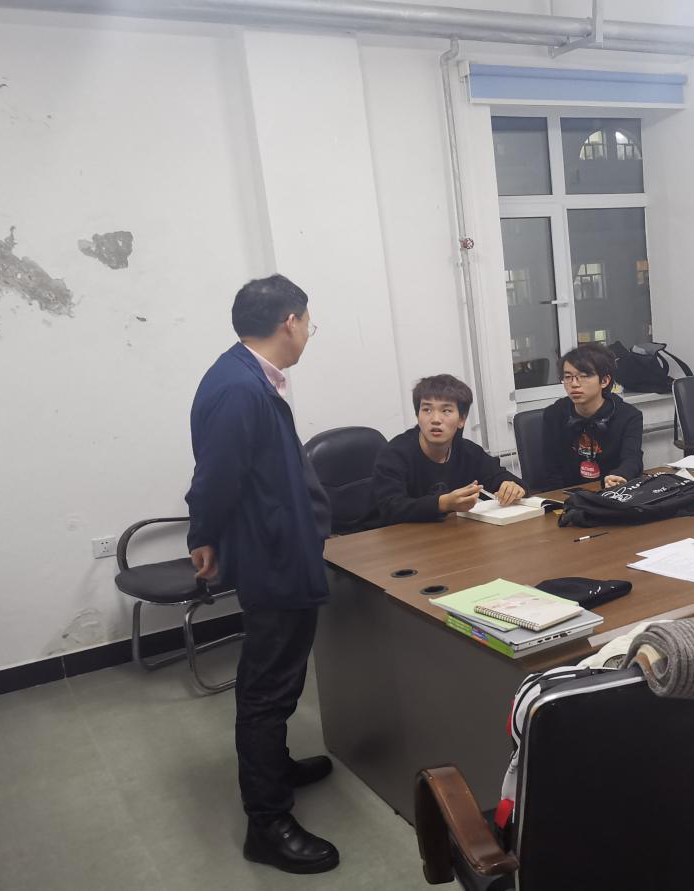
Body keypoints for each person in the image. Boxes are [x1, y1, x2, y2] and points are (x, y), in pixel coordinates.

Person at [185, 274, 340, 874]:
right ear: (289, 322)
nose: (310, 331)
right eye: (308, 320)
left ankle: (275, 768)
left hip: (282, 547)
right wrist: (202, 534)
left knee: (282, 676)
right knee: (266, 689)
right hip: (273, 558)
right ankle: (267, 823)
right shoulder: (239, 389)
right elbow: (215, 477)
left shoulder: (249, 377)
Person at [372, 374, 526, 525]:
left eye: (446, 411)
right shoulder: (394, 454)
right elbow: (390, 509)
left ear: (462, 420)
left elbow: (503, 478)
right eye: (427, 410)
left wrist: (512, 487)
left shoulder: (468, 452)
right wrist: (442, 503)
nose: (435, 419)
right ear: (418, 415)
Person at [537, 344, 644, 491]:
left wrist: (620, 476)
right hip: (568, 495)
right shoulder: (554, 414)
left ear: (604, 381)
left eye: (584, 376)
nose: (574, 384)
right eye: (568, 377)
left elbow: (632, 459)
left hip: (612, 491)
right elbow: (550, 469)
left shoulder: (628, 416)